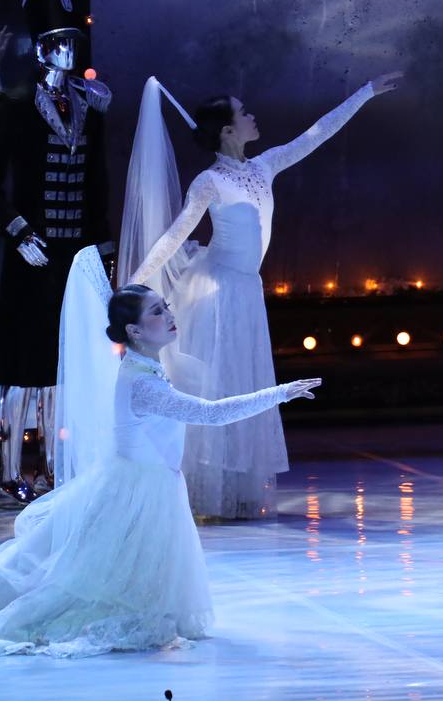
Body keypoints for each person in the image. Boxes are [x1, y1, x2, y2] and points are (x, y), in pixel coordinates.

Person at [0, 246, 320, 657]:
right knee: (87, 592)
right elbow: (210, 413)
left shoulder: (145, 369)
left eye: (165, 306)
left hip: (146, 483)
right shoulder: (143, 383)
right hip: (136, 491)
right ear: (134, 331)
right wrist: (279, 393)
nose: (168, 314)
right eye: (156, 311)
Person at [121, 72, 400, 519]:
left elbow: (316, 134)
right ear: (228, 130)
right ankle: (206, 493)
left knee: (243, 385)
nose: (253, 117)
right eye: (244, 113)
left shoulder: (263, 166)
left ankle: (238, 491)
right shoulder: (209, 182)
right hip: (217, 294)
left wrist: (365, 93)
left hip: (246, 291)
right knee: (219, 387)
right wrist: (135, 282)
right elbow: (175, 236)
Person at [0, 0, 114, 503]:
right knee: (22, 366)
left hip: (74, 257)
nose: (67, 51)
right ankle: (10, 469)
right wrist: (18, 231)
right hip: (30, 253)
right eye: (58, 42)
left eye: (72, 41)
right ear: (39, 48)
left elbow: (97, 184)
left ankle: (54, 466)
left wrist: (101, 251)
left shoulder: (90, 106)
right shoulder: (14, 104)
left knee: (62, 364)